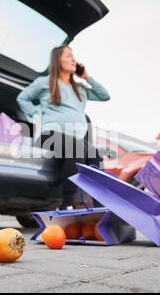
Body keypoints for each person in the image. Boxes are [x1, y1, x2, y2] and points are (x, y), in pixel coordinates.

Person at [16, 45, 110, 209]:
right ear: (57, 60)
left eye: (73, 56)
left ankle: (98, 207)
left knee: (94, 154)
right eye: (68, 56)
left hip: (74, 140)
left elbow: (104, 96)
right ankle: (67, 204)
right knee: (77, 149)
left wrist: (87, 76)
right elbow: (23, 98)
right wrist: (36, 114)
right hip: (50, 135)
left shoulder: (80, 88)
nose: (73, 59)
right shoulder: (45, 83)